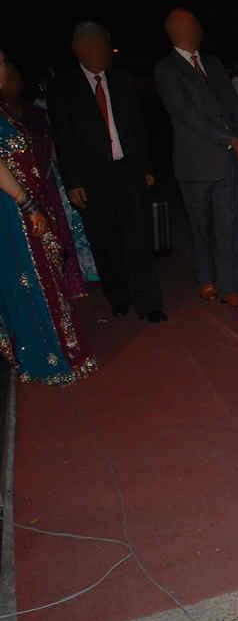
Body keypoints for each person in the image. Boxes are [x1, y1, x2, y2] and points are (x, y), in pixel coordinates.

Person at [50, 23, 166, 322]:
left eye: (105, 45)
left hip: (128, 170)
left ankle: (149, 303)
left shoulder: (122, 80)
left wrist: (147, 167)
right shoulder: (64, 88)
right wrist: (73, 182)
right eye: (96, 46)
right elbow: (63, 139)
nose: (103, 52)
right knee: (105, 241)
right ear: (80, 50)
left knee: (138, 238)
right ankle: (118, 295)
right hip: (92, 177)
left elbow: (140, 127)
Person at [0, 49, 97, 384]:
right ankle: (47, 360)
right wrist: (26, 204)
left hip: (21, 206)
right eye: (0, 64)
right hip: (12, 212)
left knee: (40, 277)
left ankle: (47, 354)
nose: (6, 70)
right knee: (30, 280)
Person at [154, 8, 238, 306]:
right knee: (201, 226)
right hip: (194, 164)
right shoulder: (166, 70)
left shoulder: (212, 63)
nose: (198, 29)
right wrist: (229, 139)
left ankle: (230, 285)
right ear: (176, 31)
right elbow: (186, 116)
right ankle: (206, 279)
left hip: (227, 161)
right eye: (192, 25)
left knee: (228, 224)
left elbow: (234, 105)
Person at [2, 62, 87, 300]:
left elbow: (51, 145)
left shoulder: (33, 112)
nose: (10, 81)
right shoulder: (4, 118)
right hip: (14, 196)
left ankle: (65, 288)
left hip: (43, 183)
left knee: (56, 240)